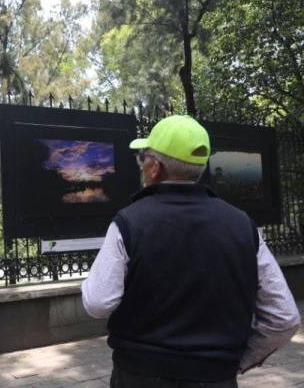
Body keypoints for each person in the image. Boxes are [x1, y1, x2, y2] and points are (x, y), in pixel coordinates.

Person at [81, 115, 300, 388]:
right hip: (214, 378)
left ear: (154, 167)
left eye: (143, 158)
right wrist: (237, 361)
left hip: (139, 376)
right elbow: (284, 318)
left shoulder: (129, 222)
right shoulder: (243, 225)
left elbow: (98, 303)